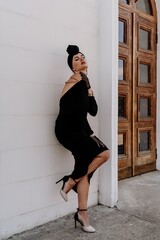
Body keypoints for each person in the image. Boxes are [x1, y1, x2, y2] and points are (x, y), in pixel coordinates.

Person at [55, 45, 110, 233]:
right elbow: (78, 114)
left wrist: (90, 92)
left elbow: (93, 111)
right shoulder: (75, 82)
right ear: (72, 67)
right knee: (104, 153)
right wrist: (90, 134)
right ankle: (70, 182)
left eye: (82, 57)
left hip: (77, 129)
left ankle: (82, 214)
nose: (81, 59)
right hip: (67, 130)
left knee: (84, 171)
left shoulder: (84, 82)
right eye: (76, 59)